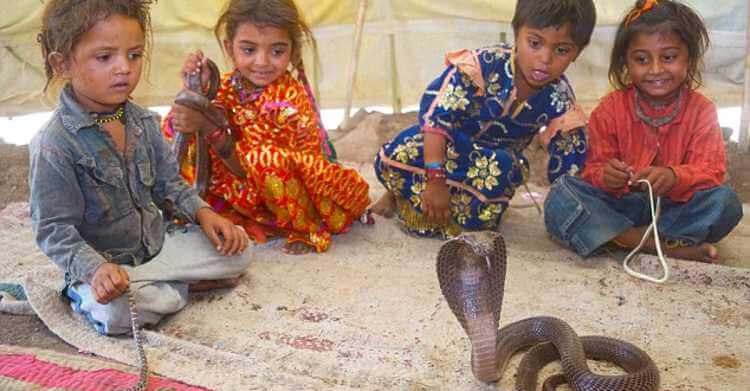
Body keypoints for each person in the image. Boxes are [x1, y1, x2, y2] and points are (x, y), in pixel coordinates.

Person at [30, 0, 252, 336]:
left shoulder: (143, 122)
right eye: (105, 57)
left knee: (240, 249)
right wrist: (96, 270)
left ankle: (163, 287)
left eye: (134, 55)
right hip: (106, 266)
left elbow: (169, 184)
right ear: (62, 63)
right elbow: (54, 230)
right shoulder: (54, 143)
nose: (124, 68)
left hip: (157, 247)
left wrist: (205, 214)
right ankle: (94, 290)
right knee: (119, 315)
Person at [371, 0, 596, 238]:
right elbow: (436, 120)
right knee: (396, 155)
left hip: (491, 167)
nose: (545, 58)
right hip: (446, 149)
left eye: (561, 50)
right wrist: (435, 181)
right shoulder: (483, 65)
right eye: (534, 43)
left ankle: (424, 205)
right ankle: (400, 196)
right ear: (517, 33)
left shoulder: (560, 99)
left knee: (500, 178)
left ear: (577, 53)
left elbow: (569, 164)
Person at [165, 0, 371, 255]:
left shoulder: (287, 100)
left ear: (293, 52)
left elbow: (249, 168)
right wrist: (196, 90)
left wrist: (209, 127)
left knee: (266, 160)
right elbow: (189, 130)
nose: (262, 62)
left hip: (290, 193)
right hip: (245, 188)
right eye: (249, 50)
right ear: (229, 48)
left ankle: (303, 228)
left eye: (277, 51)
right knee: (180, 121)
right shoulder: (229, 85)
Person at [544, 0, 743, 263]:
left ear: (689, 58)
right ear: (625, 63)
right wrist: (607, 176)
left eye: (669, 57)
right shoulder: (610, 109)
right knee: (562, 194)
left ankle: (620, 238)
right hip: (620, 206)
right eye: (641, 59)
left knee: (725, 204)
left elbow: (711, 171)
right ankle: (653, 243)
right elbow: (593, 171)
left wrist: (674, 177)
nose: (656, 69)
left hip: (673, 209)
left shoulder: (702, 111)